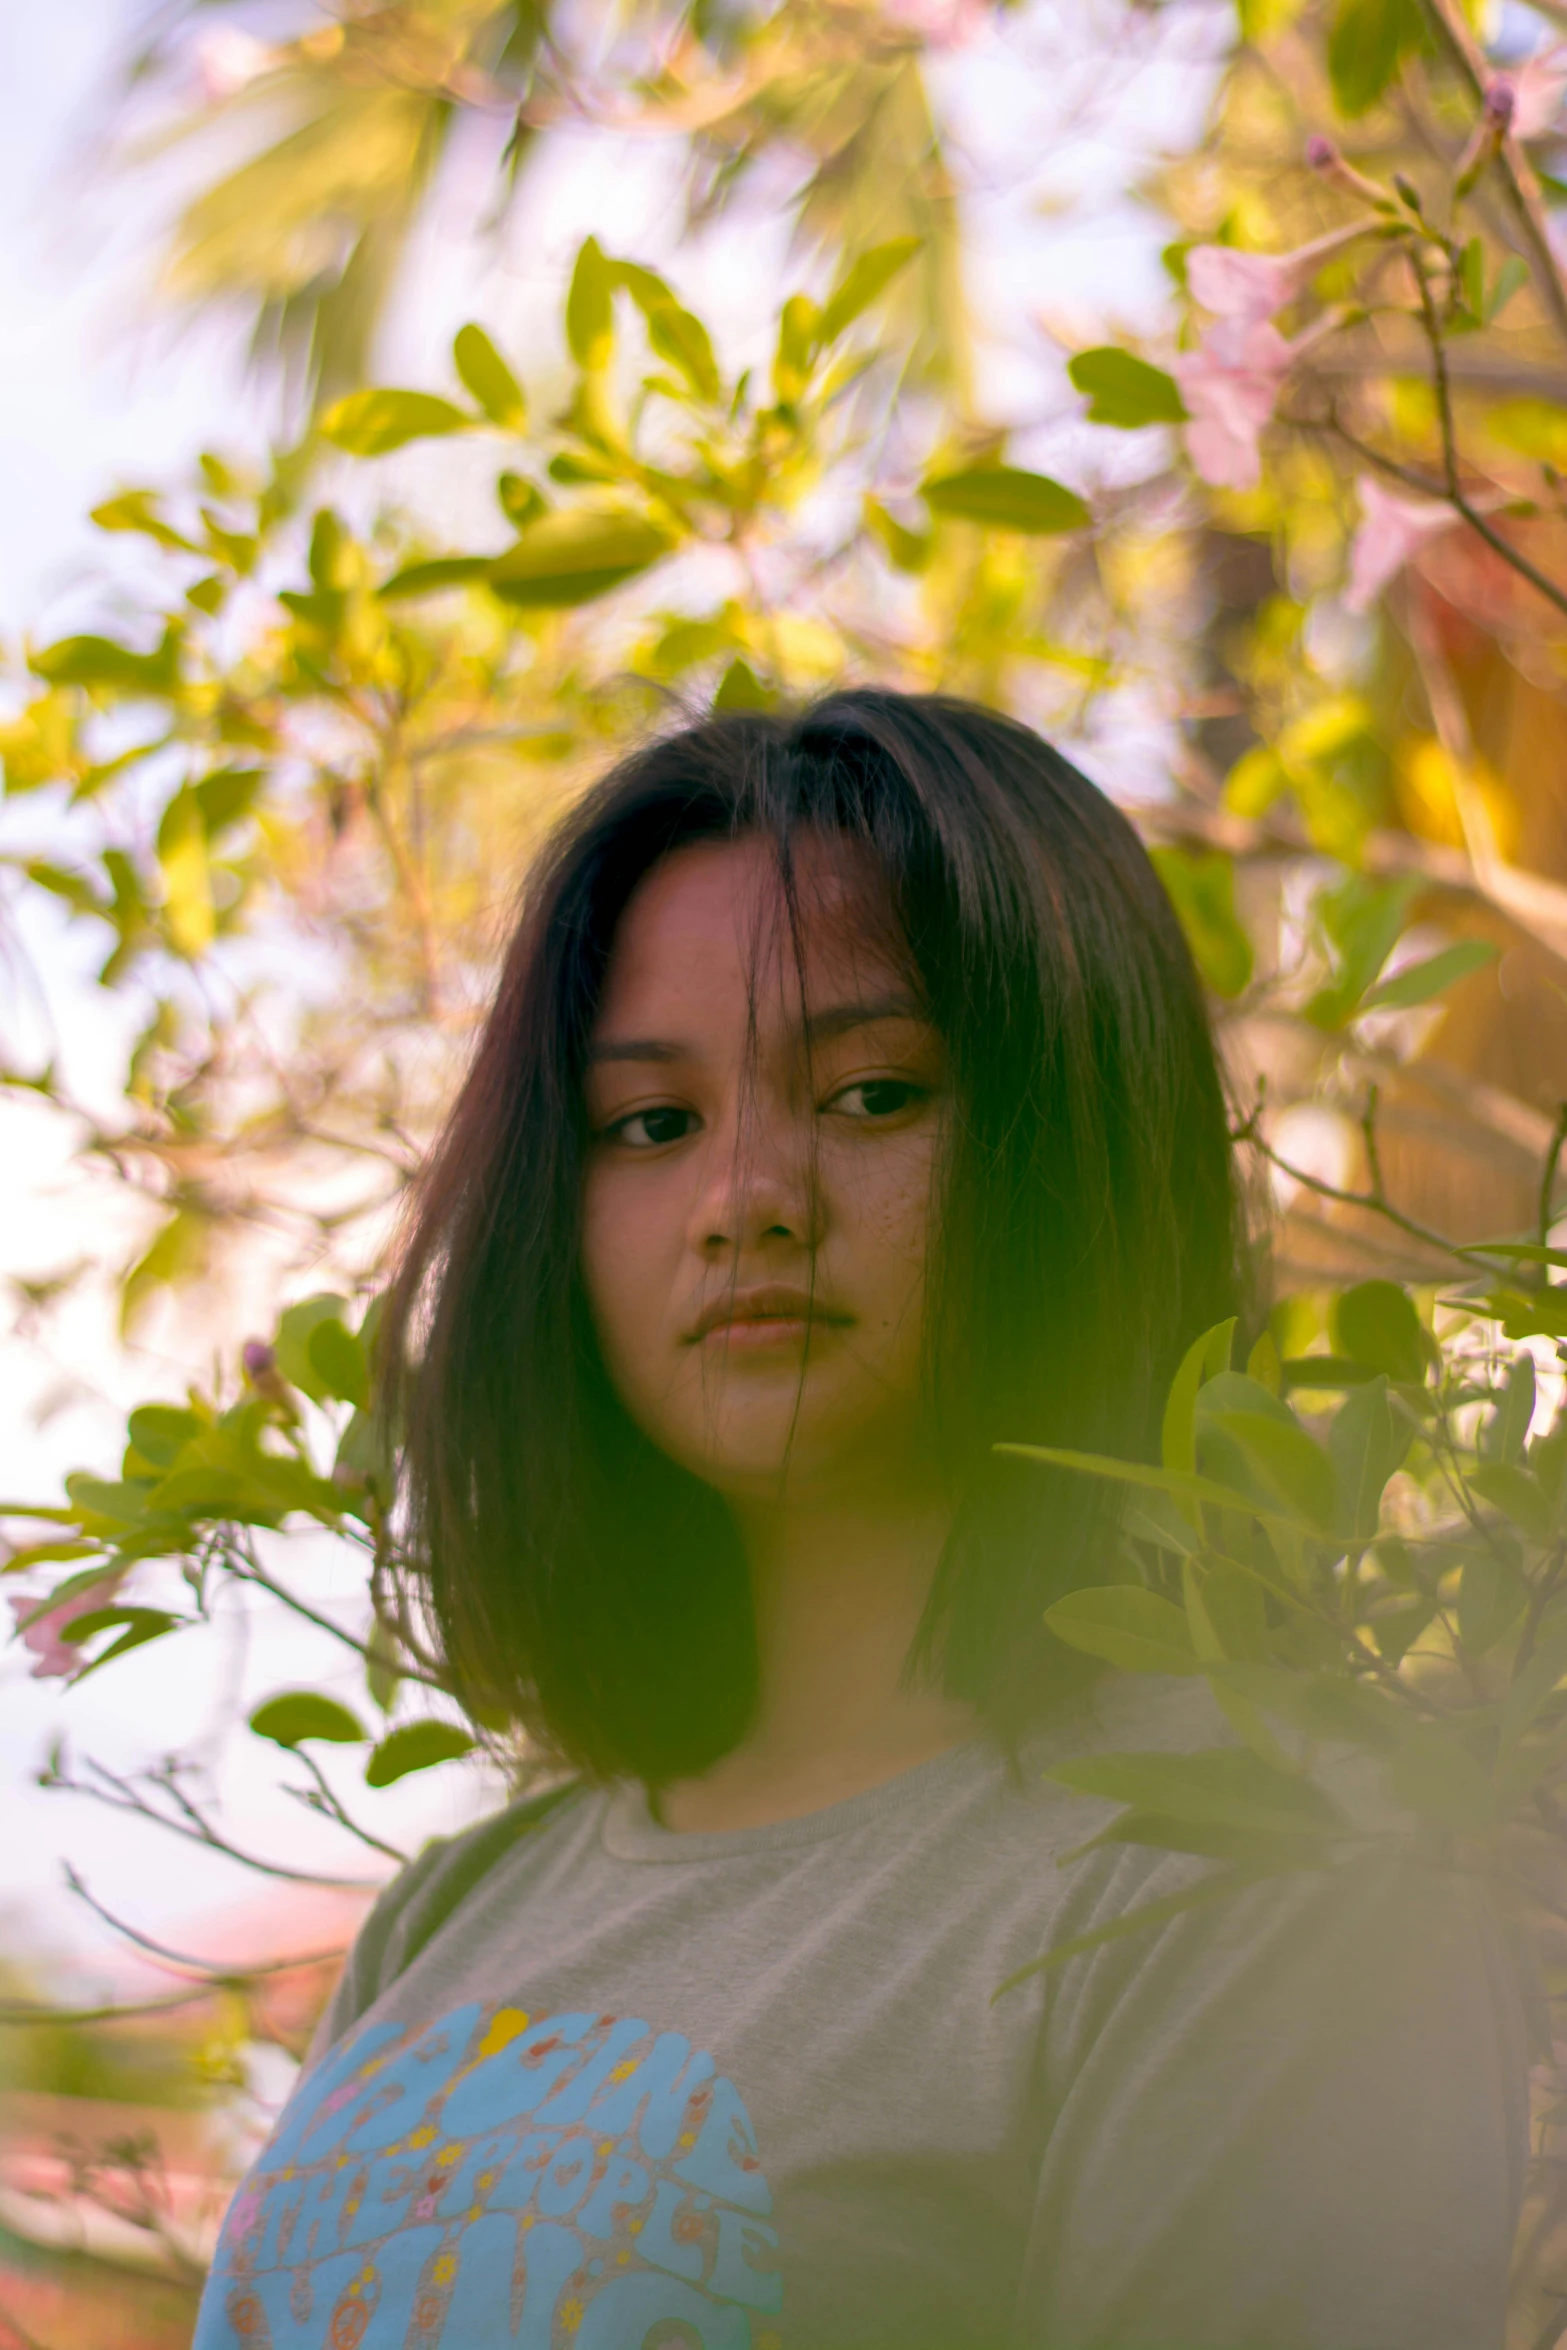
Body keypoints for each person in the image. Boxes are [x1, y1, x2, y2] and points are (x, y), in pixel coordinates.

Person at [192, 691, 1529, 2350]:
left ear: (1077, 1134)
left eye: (874, 1094)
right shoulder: (456, 1909)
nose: (746, 1195)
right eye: (651, 1124)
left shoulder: (1243, 1862)